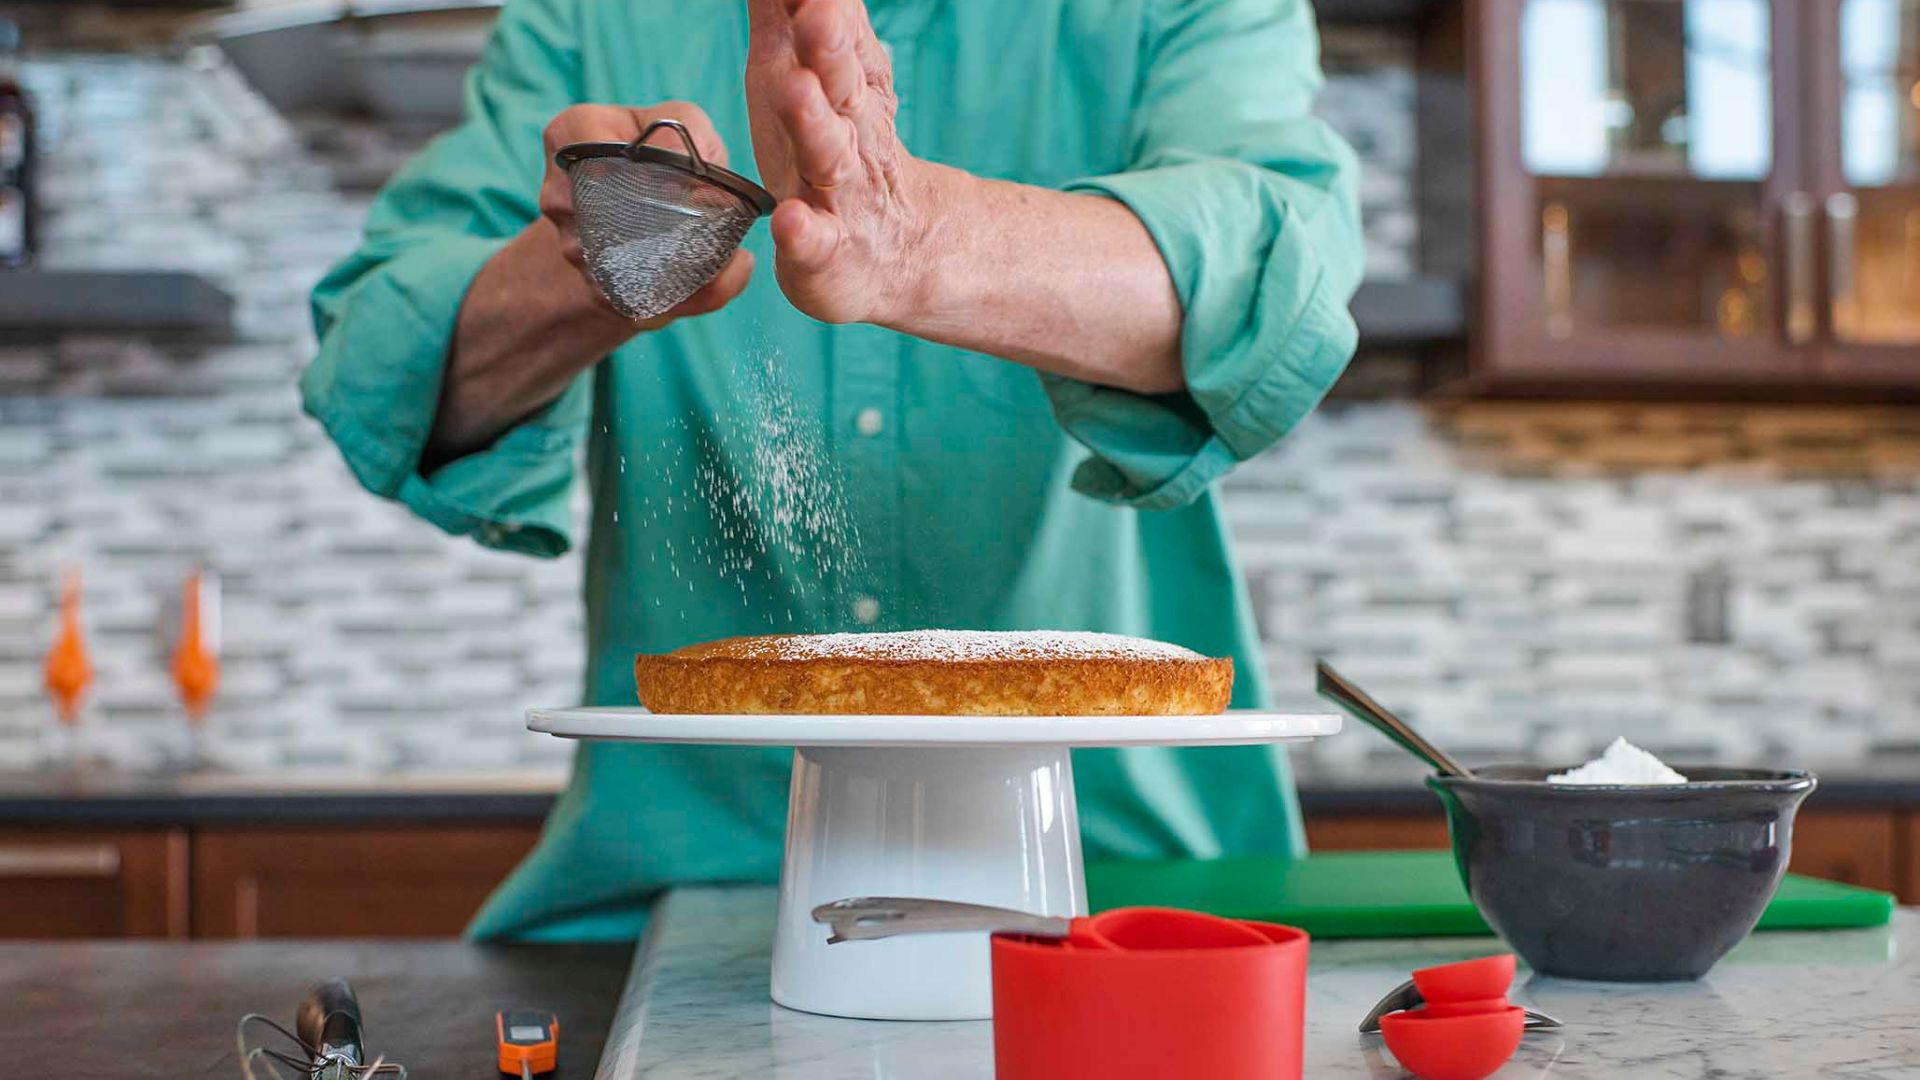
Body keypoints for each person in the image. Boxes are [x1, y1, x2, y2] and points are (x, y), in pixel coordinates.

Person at [304, 0, 1363, 940]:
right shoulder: (587, 16)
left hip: (1137, 888)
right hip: (677, 898)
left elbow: (1281, 277)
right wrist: (608, 258)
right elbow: (378, 369)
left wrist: (918, 241)